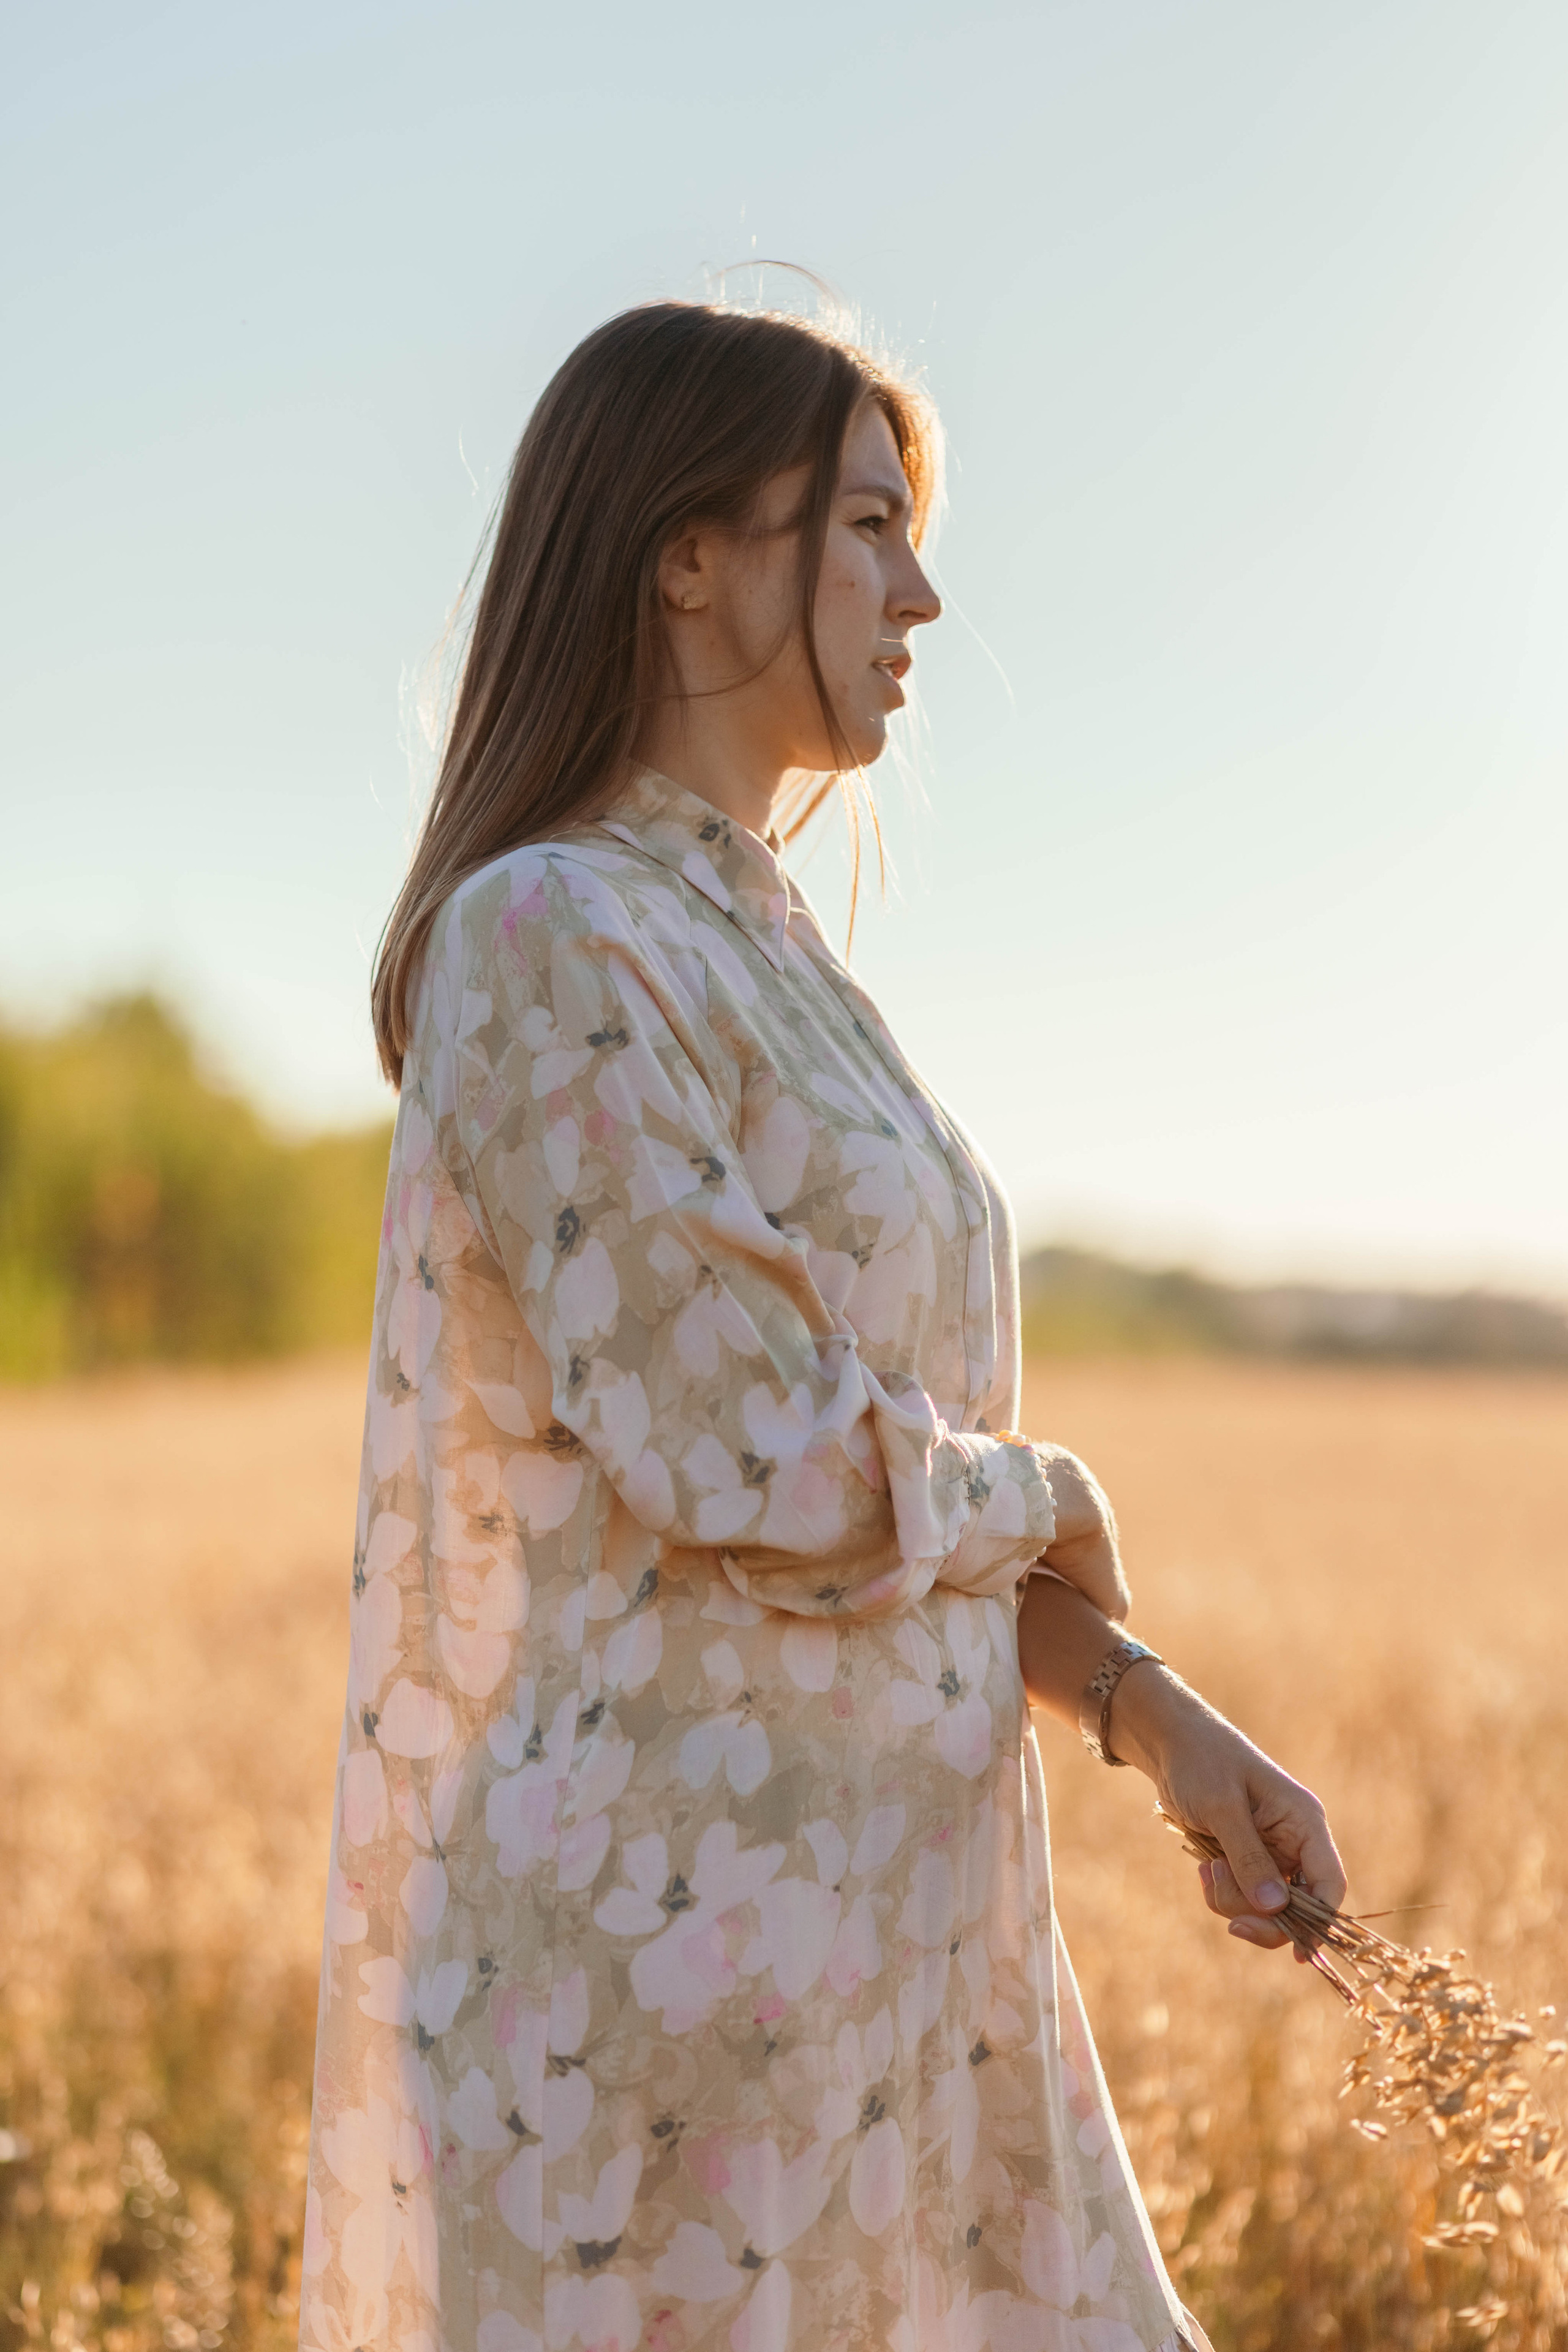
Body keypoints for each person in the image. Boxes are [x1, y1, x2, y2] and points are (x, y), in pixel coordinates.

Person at [301, 295, 1346, 2352]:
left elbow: (889, 1512)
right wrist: (1058, 1493)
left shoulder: (766, 948)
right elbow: (758, 1458)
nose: (923, 591)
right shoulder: (548, 928)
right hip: (662, 1997)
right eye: (867, 523)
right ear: (690, 552)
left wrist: (1146, 1712)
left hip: (905, 1968)